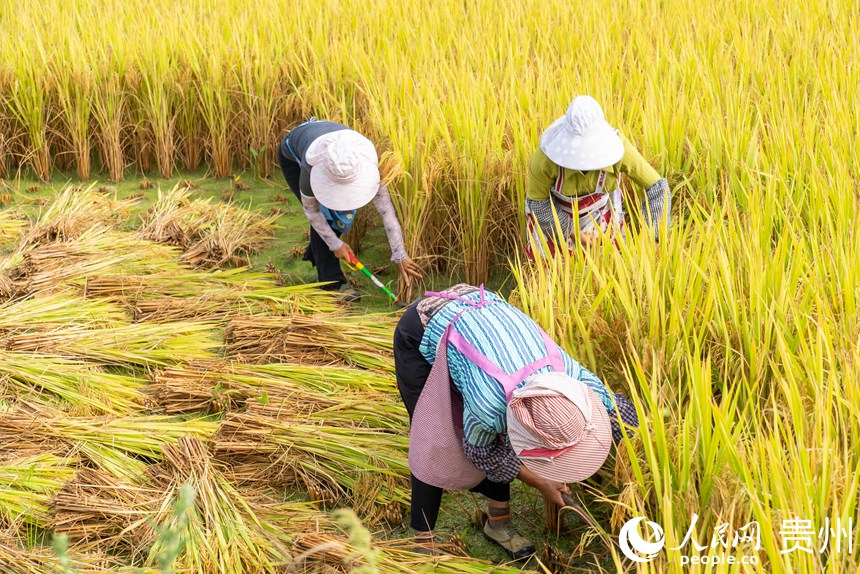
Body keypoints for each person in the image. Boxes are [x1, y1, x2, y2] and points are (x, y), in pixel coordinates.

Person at [393, 284, 639, 558]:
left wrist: (648, 461)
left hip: (480, 313)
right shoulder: (490, 406)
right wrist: (539, 481)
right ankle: (423, 543)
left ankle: (498, 523)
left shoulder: (574, 380)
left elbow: (620, 415)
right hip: (424, 327)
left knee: (501, 431)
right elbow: (483, 453)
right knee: (436, 435)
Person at [277, 119, 422, 301]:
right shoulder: (309, 170)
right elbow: (313, 212)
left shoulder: (365, 160)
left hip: (327, 139)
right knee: (328, 218)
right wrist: (336, 245)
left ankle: (318, 254)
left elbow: (386, 212)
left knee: (334, 220)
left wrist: (399, 254)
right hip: (293, 151)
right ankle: (333, 284)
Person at [525, 95, 671, 258]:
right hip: (555, 218)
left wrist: (654, 239)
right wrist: (573, 232)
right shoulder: (545, 158)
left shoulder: (619, 149)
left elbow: (658, 187)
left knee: (605, 262)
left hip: (600, 213)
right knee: (556, 268)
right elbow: (537, 203)